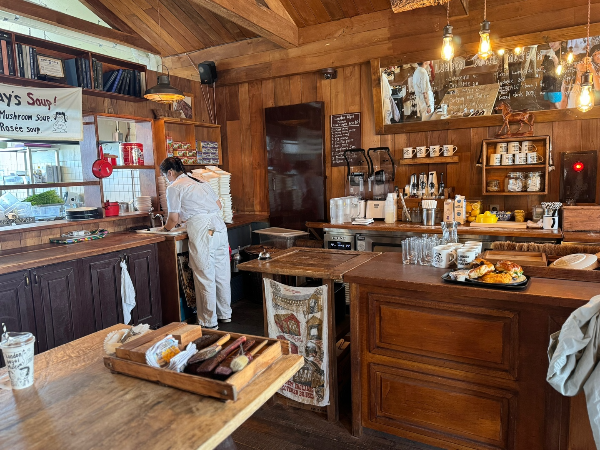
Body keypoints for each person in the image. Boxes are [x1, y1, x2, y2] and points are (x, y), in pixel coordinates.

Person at [160, 157, 231, 329]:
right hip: (219, 227)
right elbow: (219, 205)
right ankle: (224, 314)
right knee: (221, 274)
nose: (166, 179)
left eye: (165, 176)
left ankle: (208, 322)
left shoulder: (174, 187)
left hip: (202, 230)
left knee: (204, 274)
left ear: (170, 172)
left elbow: (173, 218)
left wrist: (165, 229)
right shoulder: (201, 181)